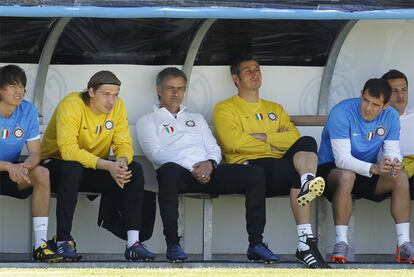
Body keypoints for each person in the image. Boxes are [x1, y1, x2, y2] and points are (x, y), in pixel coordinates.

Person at [137, 67, 279, 263]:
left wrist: (210, 164)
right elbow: (156, 154)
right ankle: (173, 244)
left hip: (208, 172)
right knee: (167, 171)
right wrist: (195, 166)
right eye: (170, 88)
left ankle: (256, 244)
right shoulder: (147, 121)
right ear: (159, 90)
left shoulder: (196, 118)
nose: (176, 93)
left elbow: (213, 147)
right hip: (179, 175)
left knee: (254, 174)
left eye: (180, 88)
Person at [213, 55, 329, 269]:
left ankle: (307, 185)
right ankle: (306, 244)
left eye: (257, 68)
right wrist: (275, 144)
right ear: (235, 78)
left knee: (307, 141)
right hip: (249, 169)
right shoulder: (224, 108)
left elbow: (294, 139)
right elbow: (233, 142)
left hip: (278, 169)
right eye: (248, 70)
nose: (255, 73)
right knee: (292, 166)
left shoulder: (275, 108)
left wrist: (262, 137)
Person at [40, 71, 155, 262]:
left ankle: (133, 244)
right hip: (53, 166)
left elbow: (123, 143)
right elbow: (68, 150)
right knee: (72, 167)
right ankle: (63, 241)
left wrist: (121, 162)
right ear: (91, 92)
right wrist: (107, 165)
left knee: (134, 170)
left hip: (94, 166)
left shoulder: (118, 107)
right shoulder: (72, 104)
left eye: (116, 94)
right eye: (106, 94)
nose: (111, 100)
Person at [318, 78, 414, 264]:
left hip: (366, 169)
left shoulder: (391, 116)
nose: (368, 108)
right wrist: (375, 168)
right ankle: (341, 243)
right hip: (331, 171)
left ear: (386, 105)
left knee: (400, 175)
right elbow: (342, 159)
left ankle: (404, 244)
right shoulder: (341, 112)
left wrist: (393, 163)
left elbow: (393, 151)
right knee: (347, 175)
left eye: (375, 104)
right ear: (361, 93)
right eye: (366, 100)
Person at [0, 65, 61, 262]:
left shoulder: (28, 110)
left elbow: (35, 152)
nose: (19, 91)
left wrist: (25, 166)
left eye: (22, 87)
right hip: (7, 168)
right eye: (12, 86)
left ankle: (40, 245)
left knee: (42, 173)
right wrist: (10, 167)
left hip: (13, 171)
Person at [381, 70, 414, 200]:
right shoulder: (375, 120)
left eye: (404, 90)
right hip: (393, 173)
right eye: (394, 91)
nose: (400, 95)